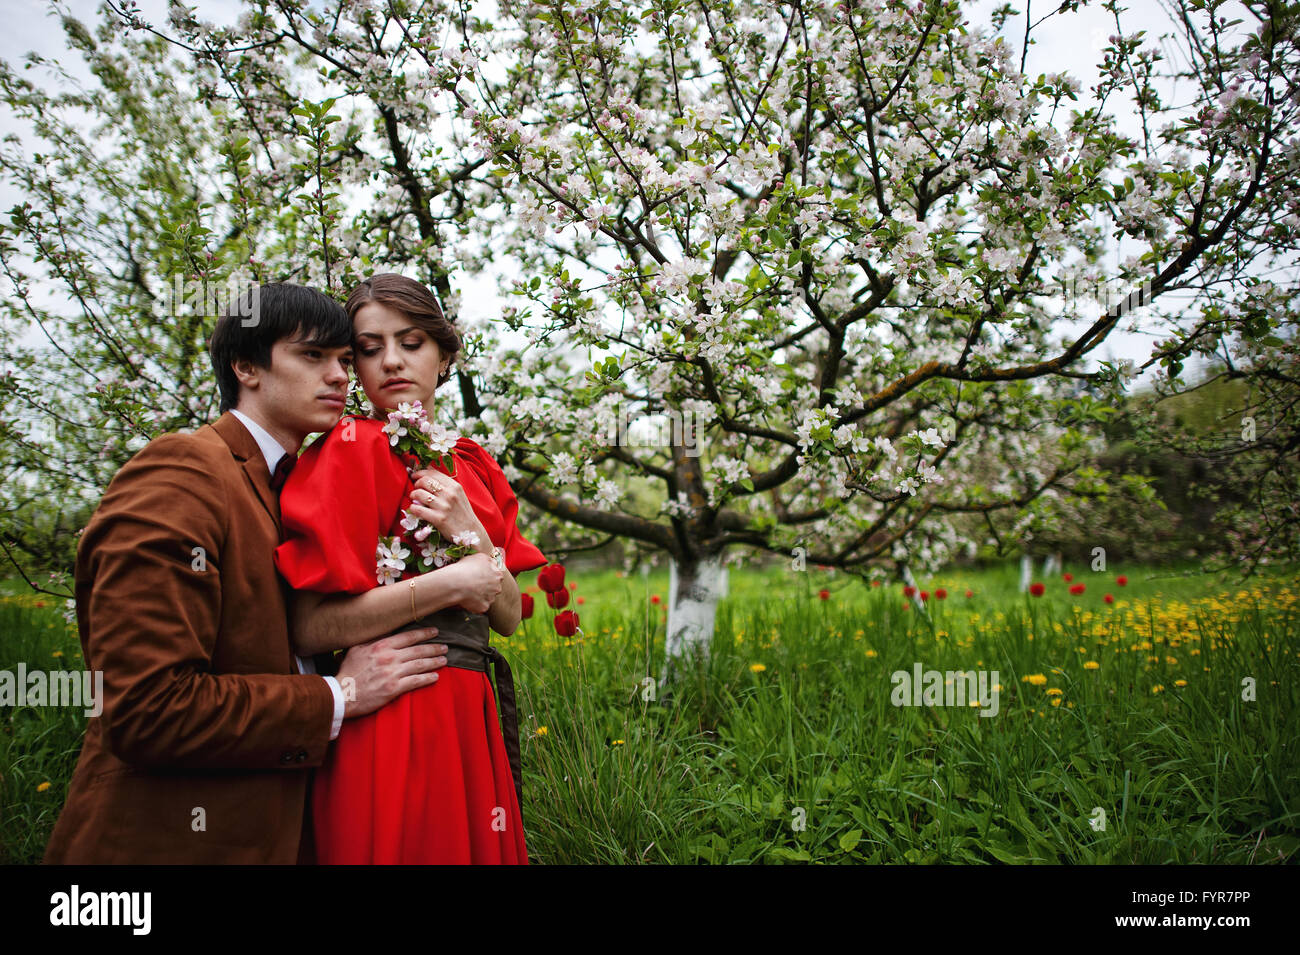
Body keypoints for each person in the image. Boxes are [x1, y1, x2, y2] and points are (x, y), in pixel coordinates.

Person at [43, 282, 451, 864]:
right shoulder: (184, 470)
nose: (339, 376)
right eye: (312, 356)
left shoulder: (293, 489)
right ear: (245, 366)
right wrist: (340, 694)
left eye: (342, 359)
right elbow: (145, 709)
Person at [274, 273, 547, 864]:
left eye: (412, 342)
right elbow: (310, 628)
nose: (391, 362)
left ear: (445, 355)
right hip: (395, 707)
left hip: (470, 713)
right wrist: (440, 586)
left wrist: (469, 530)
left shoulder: (473, 463)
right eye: (369, 349)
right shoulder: (349, 449)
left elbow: (506, 618)